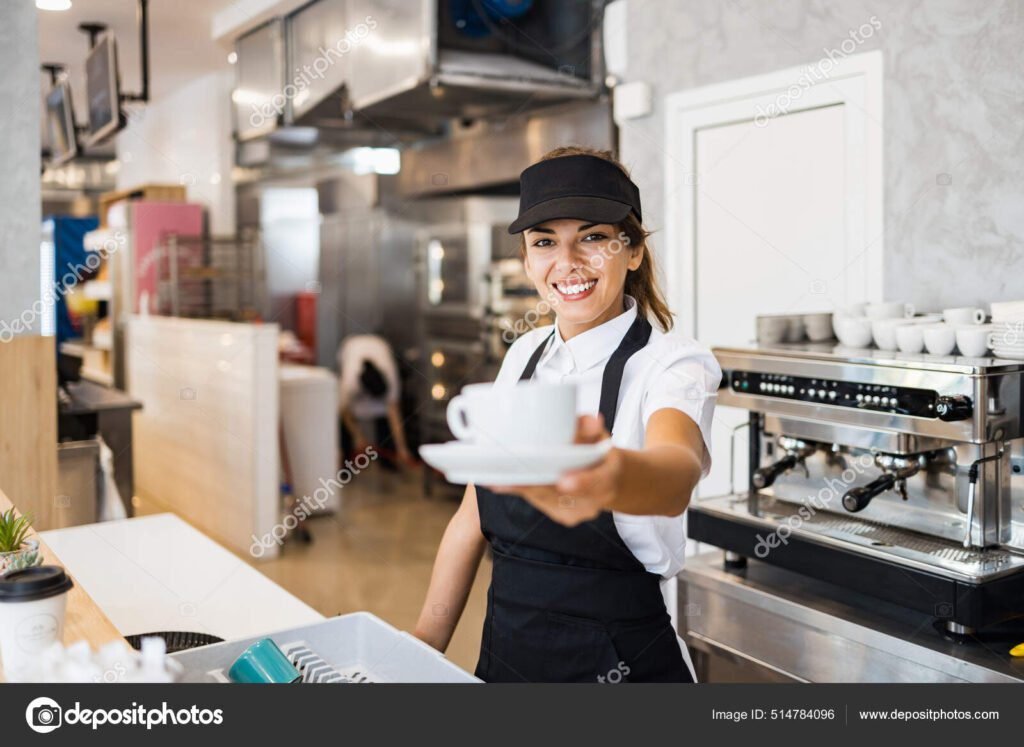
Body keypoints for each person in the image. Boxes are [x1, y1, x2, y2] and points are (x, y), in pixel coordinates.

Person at [413, 146, 721, 683]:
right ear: (528, 261)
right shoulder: (522, 356)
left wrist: (607, 476)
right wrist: (420, 648)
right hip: (509, 654)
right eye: (545, 242)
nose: (568, 262)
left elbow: (676, 472)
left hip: (620, 661)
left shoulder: (673, 363)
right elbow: (471, 520)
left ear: (633, 252)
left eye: (594, 237)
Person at [337, 334, 415, 468]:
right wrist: (357, 435)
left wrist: (402, 448)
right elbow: (344, 411)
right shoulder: (350, 381)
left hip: (379, 345)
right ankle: (346, 462)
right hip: (350, 346)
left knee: (384, 424)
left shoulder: (390, 377)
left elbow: (394, 414)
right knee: (344, 429)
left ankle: (388, 460)